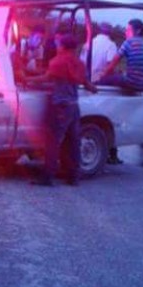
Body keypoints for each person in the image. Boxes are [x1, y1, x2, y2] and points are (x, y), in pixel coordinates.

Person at [25, 34, 98, 186]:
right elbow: (86, 83)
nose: (57, 46)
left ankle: (47, 176)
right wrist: (94, 88)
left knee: (53, 141)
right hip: (73, 106)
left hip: (60, 106)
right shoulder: (79, 63)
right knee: (73, 142)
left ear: (63, 46)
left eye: (58, 44)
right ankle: (74, 177)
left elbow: (46, 78)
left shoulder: (58, 61)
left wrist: (26, 79)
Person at [97, 18, 143, 163]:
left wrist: (99, 77)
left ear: (136, 31)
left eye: (128, 29)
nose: (126, 32)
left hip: (134, 82)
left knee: (105, 80)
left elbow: (113, 63)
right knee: (119, 76)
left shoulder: (129, 43)